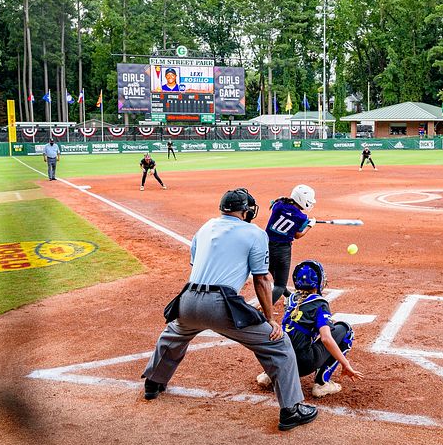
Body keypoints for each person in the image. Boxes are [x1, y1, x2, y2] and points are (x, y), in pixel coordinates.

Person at [141, 188, 318, 431]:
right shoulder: (254, 233)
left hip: (187, 299)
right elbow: (262, 280)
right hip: (220, 304)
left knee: (174, 335)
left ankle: (153, 383)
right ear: (245, 212)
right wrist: (270, 319)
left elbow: (196, 262)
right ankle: (292, 409)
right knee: (278, 344)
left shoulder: (205, 227)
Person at [257, 260, 363, 398]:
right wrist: (345, 363)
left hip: (280, 360)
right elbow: (326, 338)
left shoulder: (290, 299)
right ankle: (322, 383)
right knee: (345, 329)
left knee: (289, 331)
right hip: (302, 364)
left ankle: (269, 375)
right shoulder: (319, 303)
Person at [265, 184, 315, 302]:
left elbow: (281, 207)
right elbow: (298, 235)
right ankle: (261, 311)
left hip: (265, 245)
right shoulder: (301, 217)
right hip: (282, 251)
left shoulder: (278, 205)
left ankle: (289, 296)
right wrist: (310, 225)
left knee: (276, 275)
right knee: (280, 285)